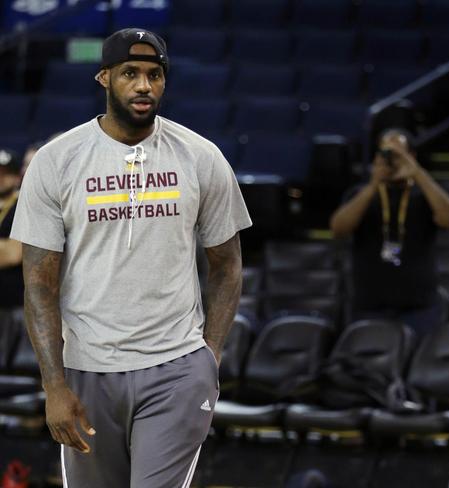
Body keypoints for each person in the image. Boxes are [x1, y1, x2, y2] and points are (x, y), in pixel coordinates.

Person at [10, 28, 252, 487]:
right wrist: (54, 386)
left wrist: (208, 358)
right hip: (87, 369)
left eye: (155, 75)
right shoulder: (57, 161)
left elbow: (228, 264)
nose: (144, 85)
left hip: (176, 368)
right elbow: (39, 282)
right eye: (130, 73)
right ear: (104, 78)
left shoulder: (201, 157)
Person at [329, 128, 449, 337]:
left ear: (412, 156)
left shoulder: (425, 193)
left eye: (399, 154)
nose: (392, 160)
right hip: (369, 306)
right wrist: (374, 184)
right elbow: (338, 229)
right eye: (386, 154)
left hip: (420, 306)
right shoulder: (360, 194)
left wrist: (417, 173)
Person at [0, 148, 23, 369]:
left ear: (17, 176)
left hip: (14, 307)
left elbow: (14, 254)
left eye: (5, 173)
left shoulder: (23, 206)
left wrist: (7, 249)